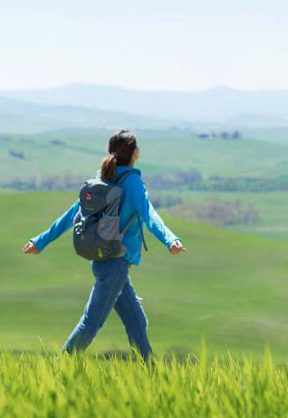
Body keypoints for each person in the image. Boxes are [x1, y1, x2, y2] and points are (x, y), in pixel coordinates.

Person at [23, 129, 187, 362]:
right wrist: (171, 240)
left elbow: (72, 214)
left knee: (137, 322)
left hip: (105, 259)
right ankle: (59, 368)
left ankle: (150, 373)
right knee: (92, 322)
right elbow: (149, 215)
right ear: (135, 153)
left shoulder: (102, 177)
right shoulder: (132, 182)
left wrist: (40, 241)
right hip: (115, 264)